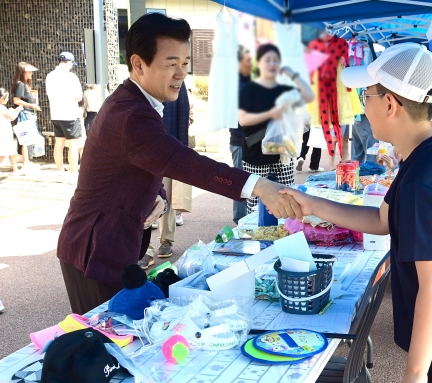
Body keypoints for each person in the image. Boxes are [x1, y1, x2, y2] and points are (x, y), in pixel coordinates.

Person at [280, 43, 432, 383]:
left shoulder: (425, 177)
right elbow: (382, 219)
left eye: (366, 95)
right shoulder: (425, 152)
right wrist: (312, 205)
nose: (362, 106)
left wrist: (413, 379)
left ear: (390, 104)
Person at [57, 13, 302, 315]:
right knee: (107, 338)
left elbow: (142, 162)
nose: (181, 73)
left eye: (185, 64)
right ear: (138, 64)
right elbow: (179, 160)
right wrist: (258, 185)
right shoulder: (131, 113)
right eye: (171, 64)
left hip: (111, 241)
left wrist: (157, 197)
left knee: (124, 332)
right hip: (95, 249)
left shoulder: (138, 102)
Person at [239, 43, 314, 214]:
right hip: (256, 154)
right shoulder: (250, 89)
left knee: (288, 197)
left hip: (282, 152)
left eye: (275, 60)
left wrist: (293, 75)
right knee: (256, 204)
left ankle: (284, 233)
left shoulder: (284, 88)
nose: (272, 64)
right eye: (267, 60)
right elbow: (243, 120)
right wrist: (271, 113)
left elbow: (309, 95)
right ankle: (257, 235)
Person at [138, 81, 192, 269]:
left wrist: (182, 151)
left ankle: (166, 239)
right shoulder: (138, 84)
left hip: (168, 149)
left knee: (166, 195)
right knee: (143, 198)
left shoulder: (177, 81)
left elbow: (183, 113)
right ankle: (145, 249)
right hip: (143, 151)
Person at [45, 52, 83, 184]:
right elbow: (79, 97)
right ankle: (73, 175)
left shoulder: (49, 76)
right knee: (73, 145)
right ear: (69, 62)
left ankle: (60, 173)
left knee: (59, 144)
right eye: (72, 63)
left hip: (55, 114)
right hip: (70, 115)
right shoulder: (71, 77)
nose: (72, 66)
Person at [230, 45, 252, 224]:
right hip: (240, 139)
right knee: (241, 181)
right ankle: (240, 219)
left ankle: (244, 218)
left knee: (247, 180)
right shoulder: (237, 84)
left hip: (250, 140)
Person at [12, 62, 41, 173]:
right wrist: (32, 105)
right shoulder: (20, 84)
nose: (31, 74)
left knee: (28, 138)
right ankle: (25, 163)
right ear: (22, 72)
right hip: (23, 114)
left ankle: (27, 162)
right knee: (25, 138)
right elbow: (16, 100)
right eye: (29, 71)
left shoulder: (24, 84)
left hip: (28, 114)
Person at [0, 88, 23, 176]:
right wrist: (18, 110)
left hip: (4, 131)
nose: (8, 99)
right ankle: (15, 169)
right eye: (7, 97)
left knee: (10, 151)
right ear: (2, 98)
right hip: (4, 132)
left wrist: (11, 111)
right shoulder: (1, 107)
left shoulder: (2, 108)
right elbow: (12, 117)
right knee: (3, 153)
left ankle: (15, 169)